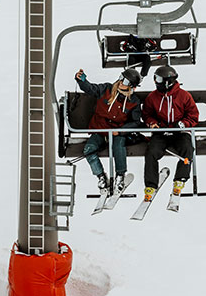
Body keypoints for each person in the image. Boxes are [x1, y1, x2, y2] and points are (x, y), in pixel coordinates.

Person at [75, 68, 142, 192]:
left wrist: (122, 130)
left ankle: (120, 175)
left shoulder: (133, 101)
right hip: (100, 129)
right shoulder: (107, 89)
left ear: (132, 87)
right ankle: (100, 176)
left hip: (117, 132)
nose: (121, 82)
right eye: (121, 78)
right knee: (89, 149)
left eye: (126, 82)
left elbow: (136, 122)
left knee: (118, 145)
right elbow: (91, 88)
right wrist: (81, 80)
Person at [142, 65, 199, 201]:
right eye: (155, 78)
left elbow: (193, 115)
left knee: (187, 148)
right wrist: (152, 123)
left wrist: (183, 124)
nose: (156, 82)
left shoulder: (183, 96)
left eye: (159, 79)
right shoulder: (153, 97)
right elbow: (147, 114)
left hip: (179, 132)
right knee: (151, 152)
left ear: (168, 81)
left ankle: (180, 179)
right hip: (161, 132)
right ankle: (150, 185)